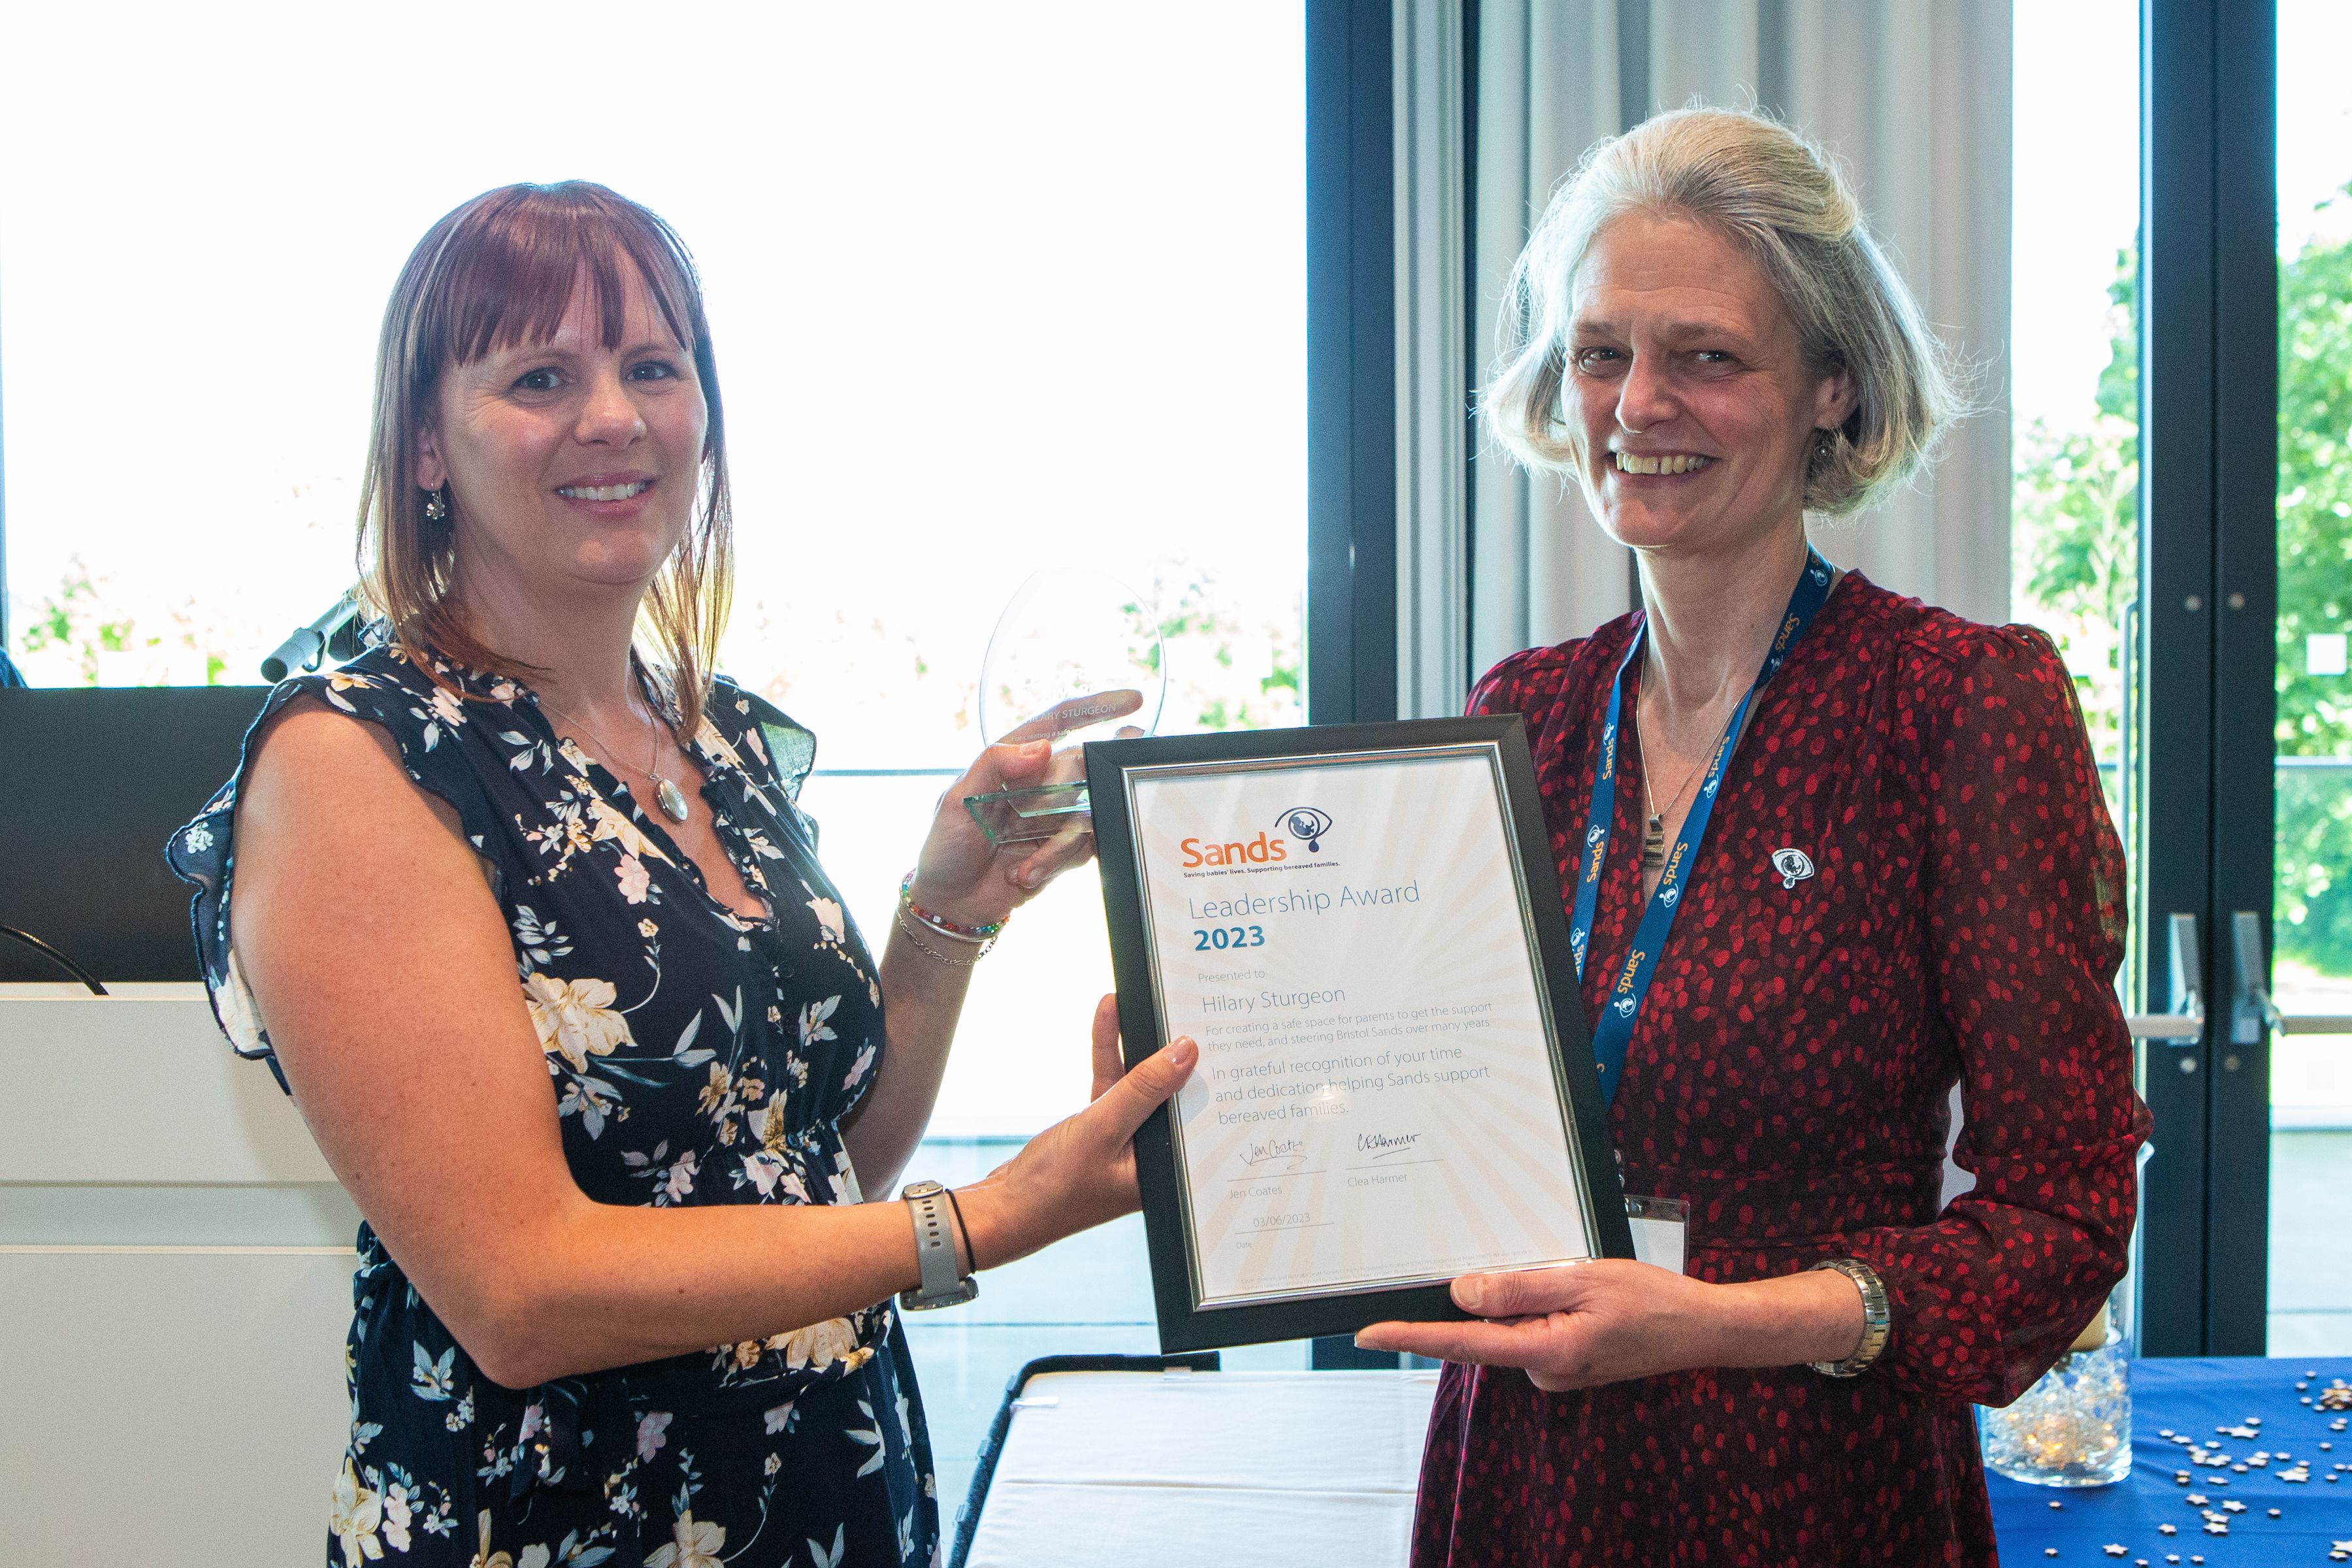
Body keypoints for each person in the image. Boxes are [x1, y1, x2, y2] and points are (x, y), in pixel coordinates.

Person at [167, 182, 1192, 1568]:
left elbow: (808, 1171)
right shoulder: (358, 762)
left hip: (821, 1503)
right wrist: (988, 1221)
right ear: (425, 442)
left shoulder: (708, 730)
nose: (613, 417)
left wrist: (946, 911)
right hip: (559, 1528)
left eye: (654, 367)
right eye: (541, 376)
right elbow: (518, 1292)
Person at [1353, 108, 2151, 1565]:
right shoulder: (1519, 718)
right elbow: (1423, 1108)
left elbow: (2064, 1217)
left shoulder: (1957, 708)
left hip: (1814, 1482)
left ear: (1832, 387)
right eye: (1600, 353)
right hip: (1523, 1473)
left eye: (1705, 356)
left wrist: (1717, 1324)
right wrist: (1223, 1101)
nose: (1637, 404)